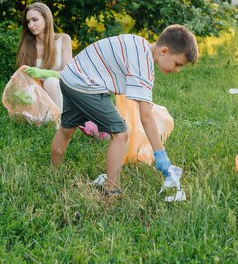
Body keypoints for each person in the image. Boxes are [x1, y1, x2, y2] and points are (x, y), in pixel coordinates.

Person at [49, 25, 198, 196]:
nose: (177, 70)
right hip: (86, 86)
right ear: (164, 51)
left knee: (66, 128)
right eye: (177, 64)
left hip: (70, 76)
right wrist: (160, 154)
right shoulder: (144, 65)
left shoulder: (139, 43)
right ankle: (112, 190)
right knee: (120, 133)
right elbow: (146, 117)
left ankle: (54, 172)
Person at [16, 2, 72, 110]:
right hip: (36, 94)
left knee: (50, 81)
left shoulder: (63, 40)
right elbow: (22, 77)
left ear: (46, 19)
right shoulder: (26, 45)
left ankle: (59, 121)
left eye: (35, 20)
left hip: (61, 93)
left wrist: (45, 73)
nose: (31, 25)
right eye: (28, 22)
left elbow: (68, 74)